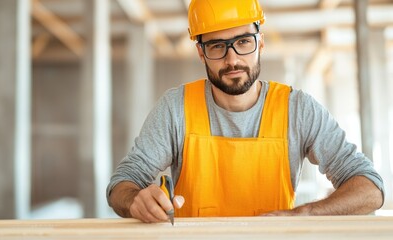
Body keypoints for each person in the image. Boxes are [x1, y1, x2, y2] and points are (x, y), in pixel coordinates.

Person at [107, 0, 384, 223]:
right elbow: (122, 183)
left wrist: (303, 215)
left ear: (260, 42)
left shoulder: (297, 109)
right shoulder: (175, 108)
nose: (232, 59)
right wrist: (135, 201)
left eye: (243, 42)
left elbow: (370, 187)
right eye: (217, 46)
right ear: (201, 53)